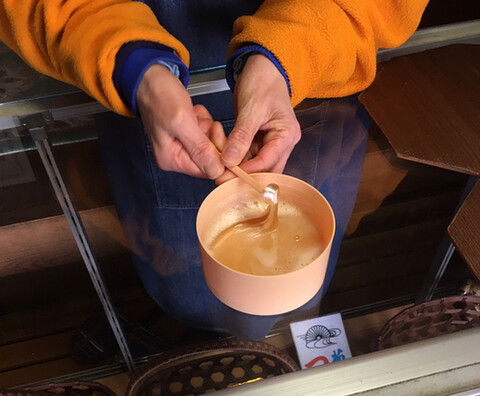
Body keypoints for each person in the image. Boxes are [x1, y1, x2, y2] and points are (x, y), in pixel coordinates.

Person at [0, 0, 429, 341]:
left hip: (318, 76)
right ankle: (207, 340)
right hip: (142, 89)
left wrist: (287, 55)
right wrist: (135, 65)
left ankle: (266, 342)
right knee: (187, 290)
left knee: (291, 292)